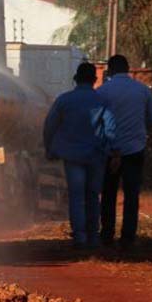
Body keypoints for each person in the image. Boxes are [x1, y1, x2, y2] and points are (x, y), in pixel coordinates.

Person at [43, 62, 117, 249]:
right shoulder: (101, 101)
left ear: (76, 80)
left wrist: (49, 148)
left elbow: (50, 126)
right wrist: (112, 151)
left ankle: (79, 237)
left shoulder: (64, 100)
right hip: (96, 155)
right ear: (94, 80)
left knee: (76, 196)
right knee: (93, 195)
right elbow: (110, 129)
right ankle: (93, 236)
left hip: (72, 156)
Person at [97, 54, 152, 248]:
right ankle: (127, 238)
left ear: (110, 70)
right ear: (128, 69)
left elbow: (96, 120)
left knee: (108, 193)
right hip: (135, 149)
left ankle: (107, 234)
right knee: (131, 194)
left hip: (109, 150)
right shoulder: (142, 91)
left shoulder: (102, 92)